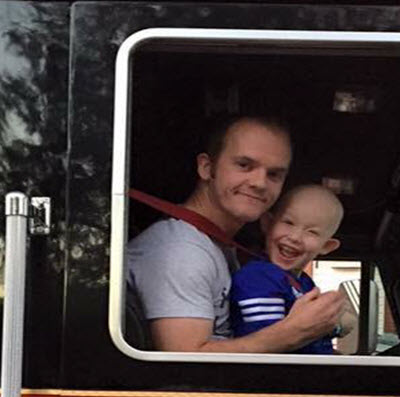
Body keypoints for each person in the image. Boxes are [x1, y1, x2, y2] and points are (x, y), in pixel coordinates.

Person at [126, 115, 344, 352]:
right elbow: (185, 361)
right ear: (207, 168)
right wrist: (294, 332)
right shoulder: (181, 251)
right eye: (244, 165)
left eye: (274, 174)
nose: (260, 183)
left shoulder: (219, 247)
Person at [230, 185, 350, 354]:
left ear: (327, 246)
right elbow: (271, 342)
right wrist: (336, 326)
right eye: (288, 222)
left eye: (312, 232)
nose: (295, 237)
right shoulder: (258, 277)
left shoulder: (304, 282)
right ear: (267, 224)